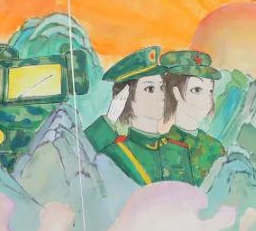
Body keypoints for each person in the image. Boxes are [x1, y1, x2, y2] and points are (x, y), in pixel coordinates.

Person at [84, 45, 178, 186]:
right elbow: (81, 152)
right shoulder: (115, 154)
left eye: (161, 87)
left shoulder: (176, 151)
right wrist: (110, 118)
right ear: (125, 97)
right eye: (150, 89)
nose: (162, 95)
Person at [159, 50, 227, 186]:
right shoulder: (160, 148)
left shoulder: (216, 147)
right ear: (176, 92)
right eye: (196, 90)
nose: (207, 100)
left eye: (210, 91)